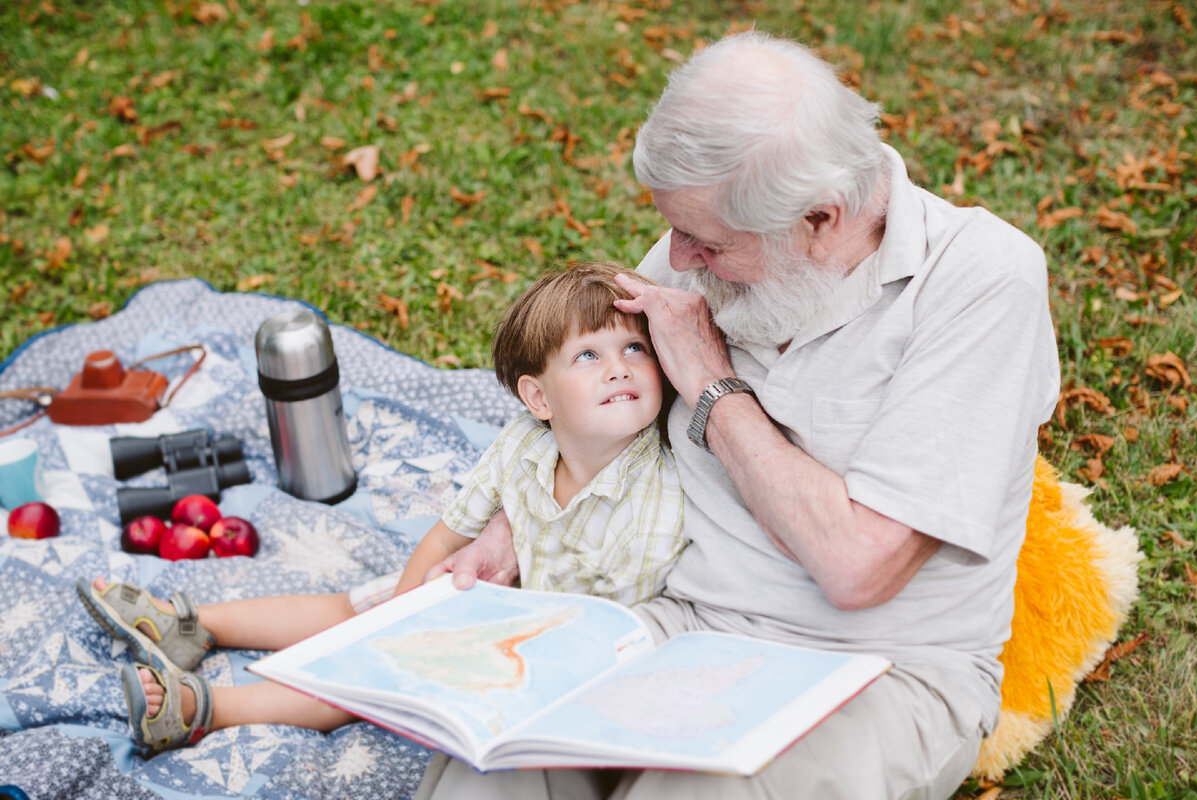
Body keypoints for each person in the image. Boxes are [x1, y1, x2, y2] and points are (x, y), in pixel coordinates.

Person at [415, 31, 1061, 800]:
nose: (677, 258)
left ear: (820, 219)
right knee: (491, 747)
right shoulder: (717, 243)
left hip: (875, 669)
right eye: (675, 228)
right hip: (675, 619)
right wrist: (509, 529)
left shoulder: (982, 281)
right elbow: (600, 405)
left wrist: (715, 388)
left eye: (706, 242)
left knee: (699, 794)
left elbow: (860, 567)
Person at [78, 261, 686, 755]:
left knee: (374, 675)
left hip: (545, 652)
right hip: (495, 590)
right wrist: (400, 609)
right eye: (588, 356)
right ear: (537, 397)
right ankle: (193, 624)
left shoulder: (659, 480)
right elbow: (449, 535)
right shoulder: (524, 446)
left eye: (635, 348)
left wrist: (407, 644)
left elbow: (619, 626)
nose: (618, 369)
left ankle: (203, 709)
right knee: (357, 608)